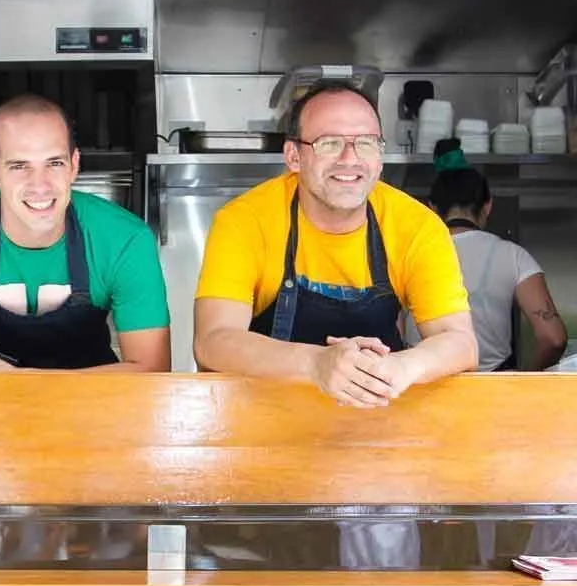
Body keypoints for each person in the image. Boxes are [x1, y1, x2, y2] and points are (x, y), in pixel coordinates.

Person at [192, 79, 476, 405]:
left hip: (380, 424)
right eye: (329, 143)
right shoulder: (245, 221)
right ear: (293, 156)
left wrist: (400, 367)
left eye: (366, 143)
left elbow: (459, 341)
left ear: (380, 156)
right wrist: (316, 364)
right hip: (266, 427)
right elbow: (213, 341)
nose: (349, 159)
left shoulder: (417, 227)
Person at [0, 94, 171, 371]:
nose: (40, 185)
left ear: (74, 165)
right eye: (20, 166)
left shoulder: (124, 239)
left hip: (96, 407)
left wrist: (20, 381)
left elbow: (151, 375)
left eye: (54, 163)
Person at [418, 139, 568, 371]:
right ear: (487, 206)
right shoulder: (513, 256)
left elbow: (391, 335)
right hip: (493, 390)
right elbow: (553, 338)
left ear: (432, 209)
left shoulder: (409, 255)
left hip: (423, 389)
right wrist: (521, 381)